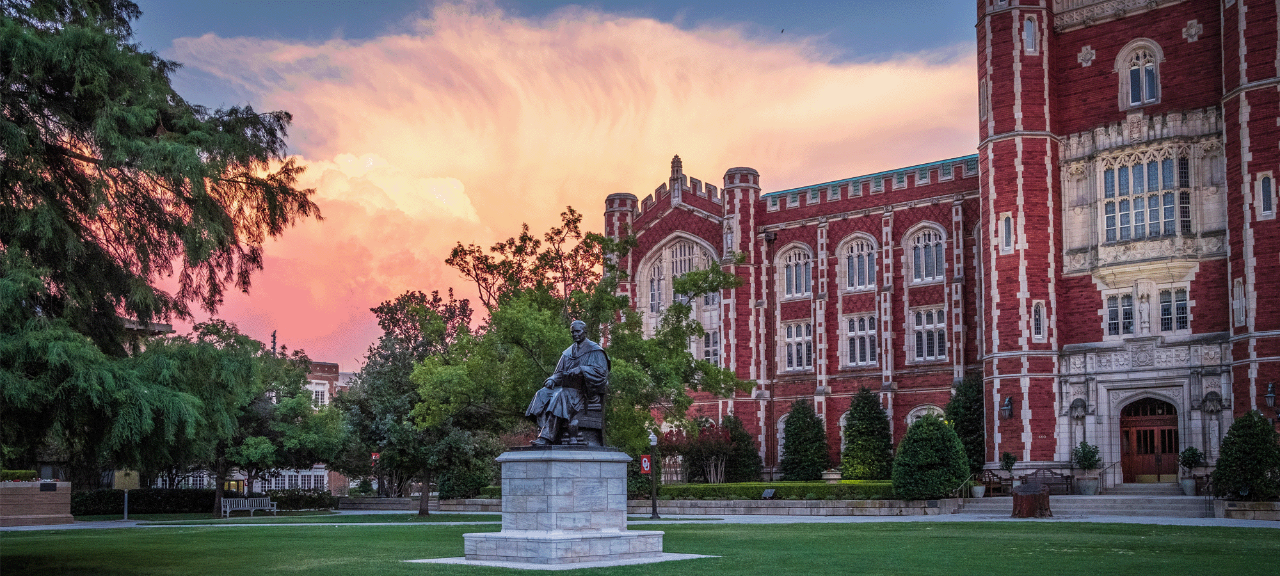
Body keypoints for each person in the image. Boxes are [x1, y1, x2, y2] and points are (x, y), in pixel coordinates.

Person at [526, 320, 610, 446]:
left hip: (584, 393)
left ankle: (546, 438)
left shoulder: (595, 351)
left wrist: (582, 369)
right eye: (572, 332)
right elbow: (559, 373)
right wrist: (552, 379)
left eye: (578, 331)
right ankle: (543, 431)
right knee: (542, 394)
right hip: (566, 388)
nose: (575, 334)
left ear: (585, 332)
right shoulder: (567, 353)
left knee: (560, 396)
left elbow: (602, 373)